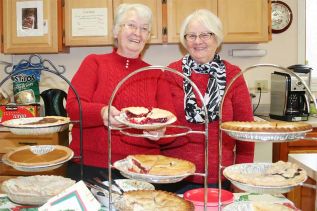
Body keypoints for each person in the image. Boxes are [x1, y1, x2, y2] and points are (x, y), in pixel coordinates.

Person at [66, 3, 174, 181]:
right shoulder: (94, 63)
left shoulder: (156, 74)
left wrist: (160, 132)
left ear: (148, 37)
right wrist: (102, 112)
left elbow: (170, 123)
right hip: (91, 167)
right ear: (116, 31)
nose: (137, 33)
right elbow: (72, 108)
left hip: (142, 169)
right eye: (131, 25)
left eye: (144, 29)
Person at [160, 9, 255, 194]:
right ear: (185, 40)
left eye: (205, 34)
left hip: (219, 177)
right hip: (175, 174)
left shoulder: (233, 75)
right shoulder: (171, 73)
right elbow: (164, 127)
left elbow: (246, 133)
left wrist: (242, 177)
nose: (198, 41)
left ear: (217, 38)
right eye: (192, 35)